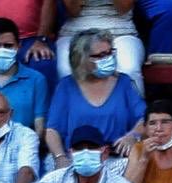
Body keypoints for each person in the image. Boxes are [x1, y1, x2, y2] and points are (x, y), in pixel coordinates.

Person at [45, 30, 143, 170]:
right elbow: (52, 130)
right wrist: (60, 157)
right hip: (75, 158)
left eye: (110, 52)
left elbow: (143, 119)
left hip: (115, 159)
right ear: (81, 59)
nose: (108, 58)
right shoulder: (66, 86)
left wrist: (132, 136)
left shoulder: (124, 83)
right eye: (100, 55)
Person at [56, 0, 161, 83]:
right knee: (66, 71)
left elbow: (123, 8)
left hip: (121, 31)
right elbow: (72, 10)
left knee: (129, 70)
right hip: (75, 32)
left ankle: (132, 109)